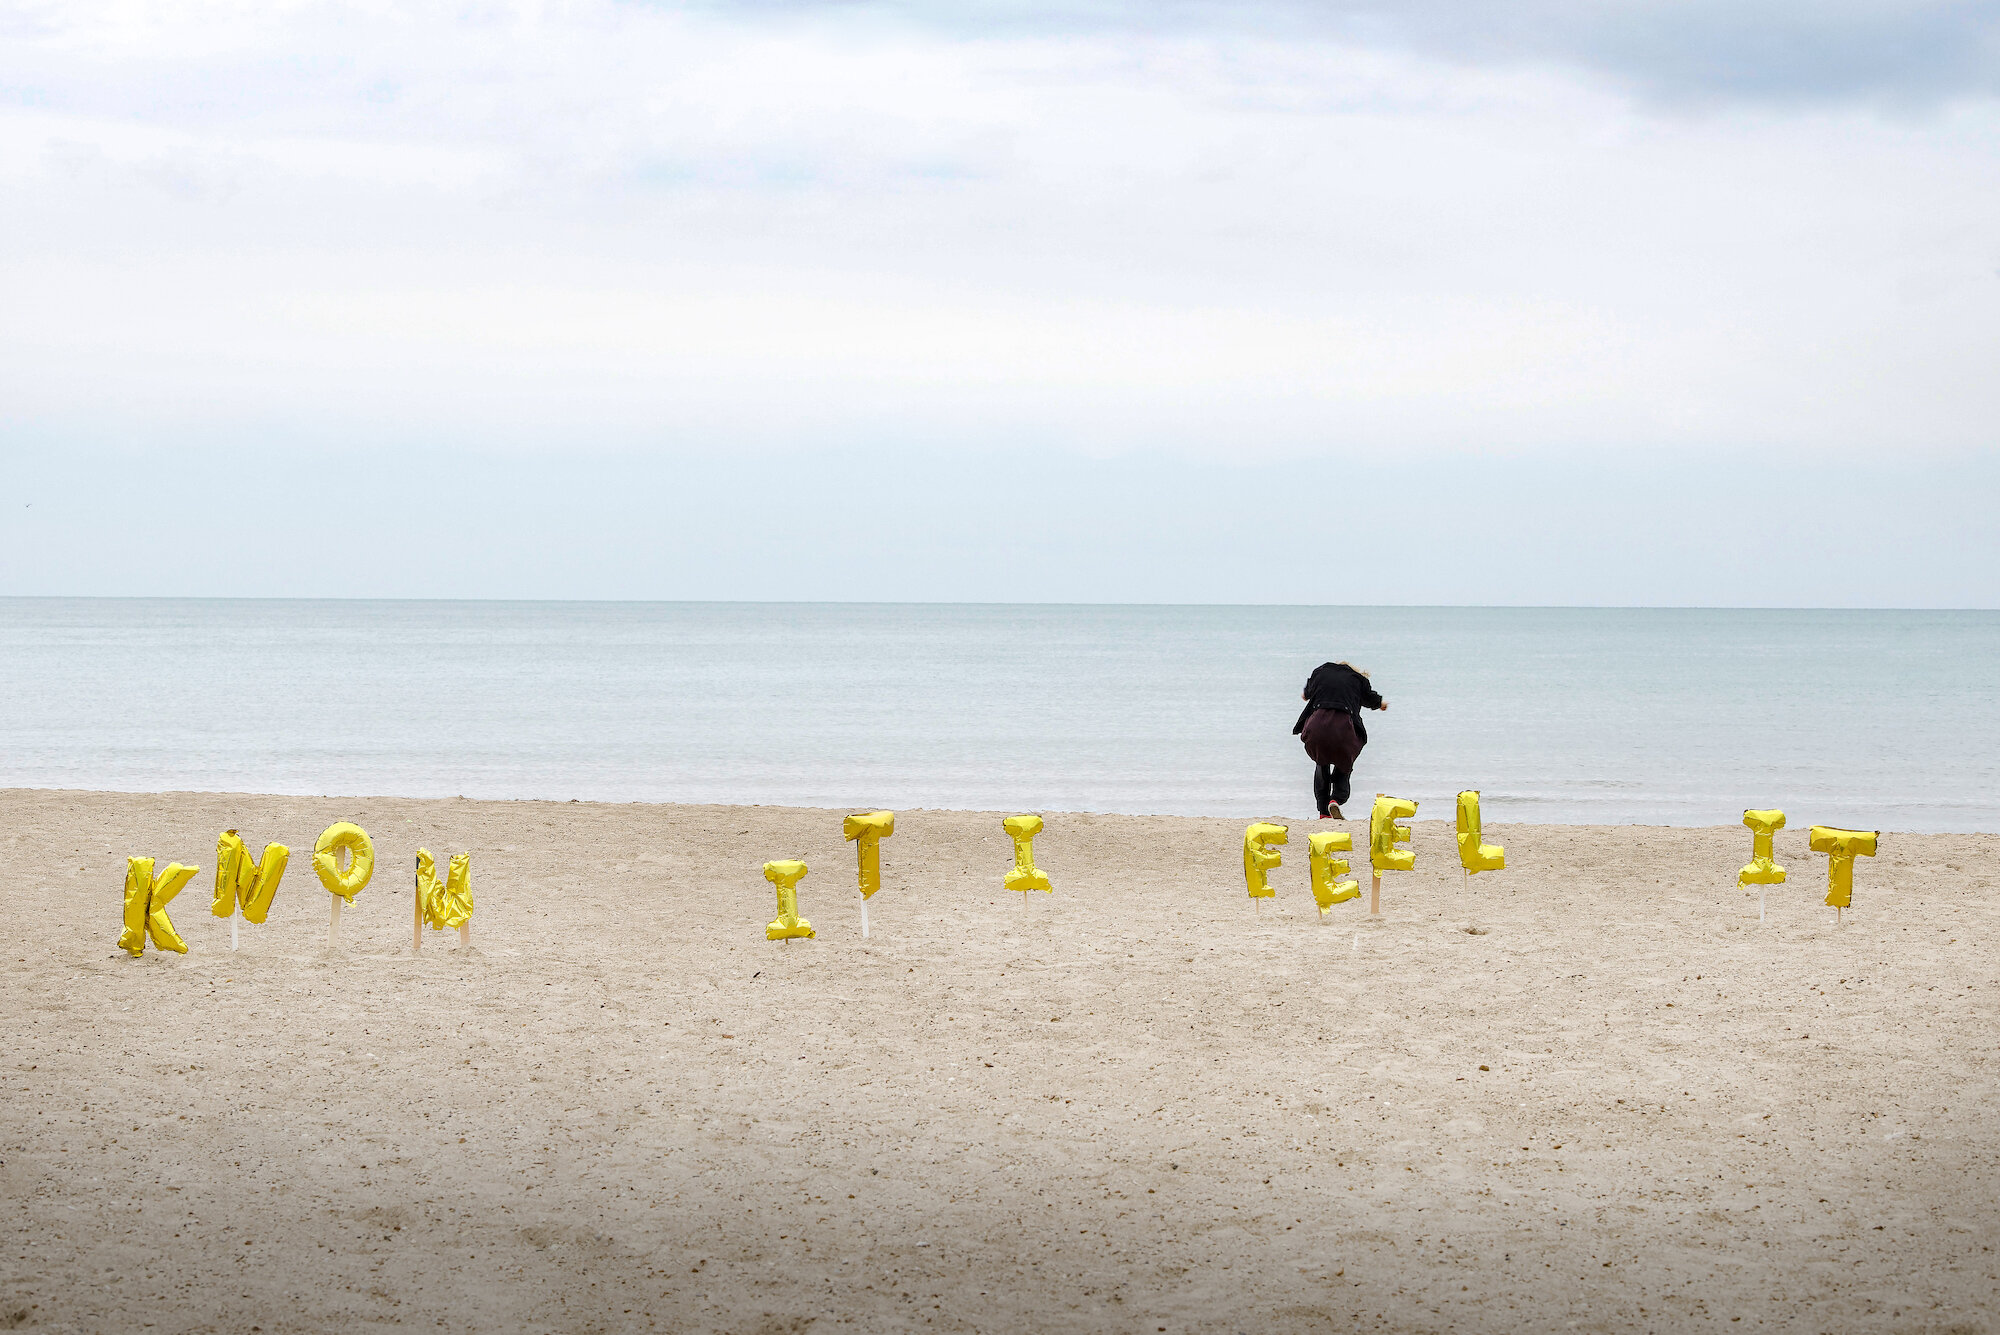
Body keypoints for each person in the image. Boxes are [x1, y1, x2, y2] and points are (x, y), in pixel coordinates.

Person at [1291, 661, 1388, 819]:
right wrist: (1381, 704)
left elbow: (1305, 694)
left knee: (1321, 764)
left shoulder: (1320, 672)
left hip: (1317, 727)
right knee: (1344, 764)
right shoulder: (1358, 680)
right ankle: (1336, 798)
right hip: (1344, 729)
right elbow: (1371, 699)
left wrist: (1308, 693)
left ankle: (1323, 813)